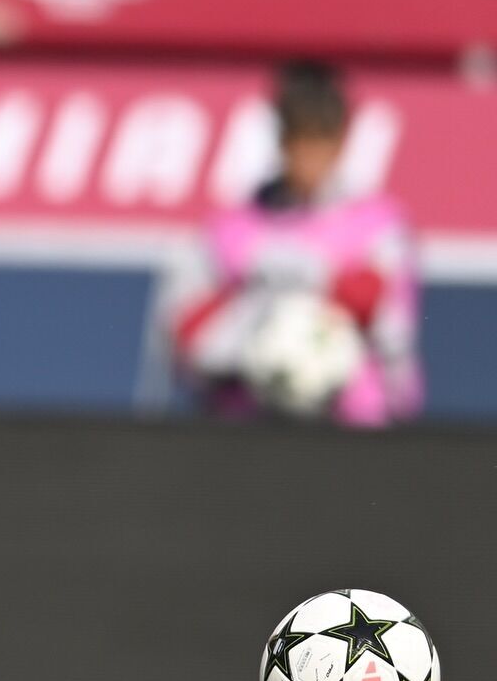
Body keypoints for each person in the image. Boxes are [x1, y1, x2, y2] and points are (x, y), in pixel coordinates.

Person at [172, 60, 422, 426]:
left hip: (353, 429)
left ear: (340, 143)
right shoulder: (229, 229)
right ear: (281, 141)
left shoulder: (379, 225)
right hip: (250, 428)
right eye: (299, 144)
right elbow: (187, 335)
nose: (309, 162)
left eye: (320, 145)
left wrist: (324, 284)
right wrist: (255, 322)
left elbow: (394, 332)